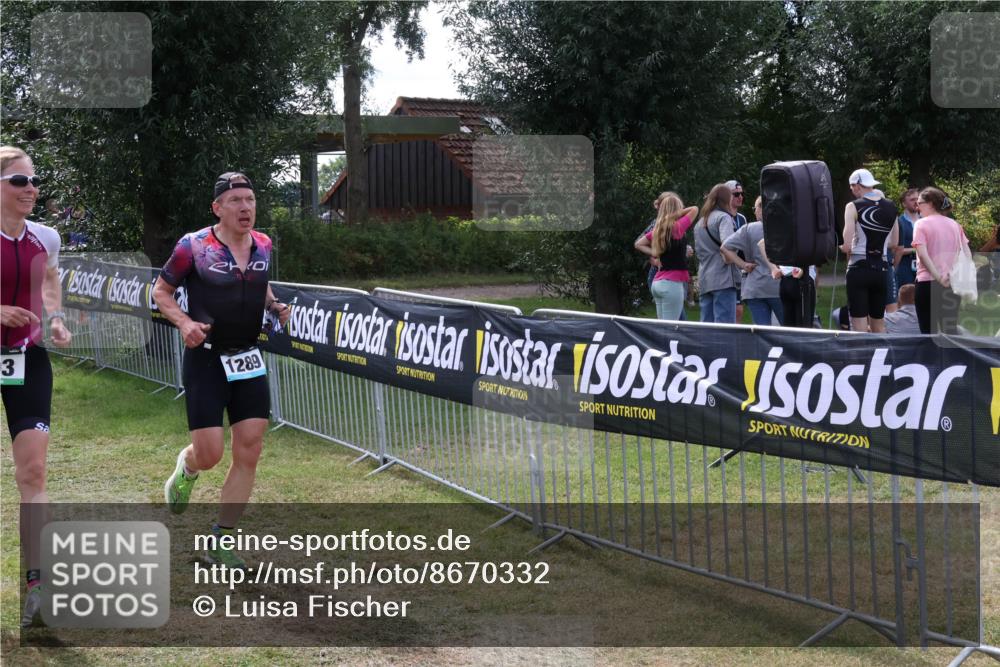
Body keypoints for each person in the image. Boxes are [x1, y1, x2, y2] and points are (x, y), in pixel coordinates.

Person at [153, 172, 290, 569]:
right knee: (211, 454)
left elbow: (260, 284)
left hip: (248, 357)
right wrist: (184, 323)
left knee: (250, 448)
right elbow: (160, 291)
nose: (245, 207)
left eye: (250, 199)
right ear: (218, 208)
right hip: (207, 359)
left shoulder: (263, 243)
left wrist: (274, 306)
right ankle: (188, 467)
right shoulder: (193, 246)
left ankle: (222, 540)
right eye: (236, 201)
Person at [0, 146, 72, 626]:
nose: (31, 190)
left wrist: (58, 317)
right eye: (19, 182)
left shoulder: (46, 236)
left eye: (34, 182)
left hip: (26, 358)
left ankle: (38, 588)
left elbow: (49, 279)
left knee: (34, 475)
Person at [841, 168, 899, 333]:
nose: (852, 192)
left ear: (857, 185)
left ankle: (861, 358)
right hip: (881, 268)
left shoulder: (853, 206)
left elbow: (846, 245)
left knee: (859, 327)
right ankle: (881, 357)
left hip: (858, 268)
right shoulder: (891, 206)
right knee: (878, 325)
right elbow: (894, 243)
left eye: (852, 188)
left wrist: (837, 245)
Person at [911, 187, 969, 334]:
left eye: (919, 203)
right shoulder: (955, 225)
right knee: (950, 334)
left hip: (927, 283)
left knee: (928, 333)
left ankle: (930, 358)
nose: (917, 207)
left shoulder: (921, 224)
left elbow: (923, 255)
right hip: (951, 284)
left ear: (930, 203)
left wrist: (938, 277)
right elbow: (966, 255)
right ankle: (952, 358)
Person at [634, 193, 699, 319]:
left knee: (662, 328)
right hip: (672, 284)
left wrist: (655, 253)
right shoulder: (677, 227)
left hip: (657, 283)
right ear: (677, 210)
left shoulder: (659, 229)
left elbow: (638, 244)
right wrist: (676, 214)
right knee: (671, 329)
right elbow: (695, 209)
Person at [720, 196, 783, 325]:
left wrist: (743, 264)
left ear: (761, 208)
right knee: (786, 328)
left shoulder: (748, 229)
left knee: (761, 331)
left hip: (755, 287)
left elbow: (724, 247)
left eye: (755, 208)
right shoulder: (783, 227)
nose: (754, 211)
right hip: (778, 285)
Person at [694, 183, 740, 323]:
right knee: (724, 327)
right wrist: (734, 260)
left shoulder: (700, 223)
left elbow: (699, 252)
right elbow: (728, 246)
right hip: (723, 279)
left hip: (705, 279)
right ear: (727, 199)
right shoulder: (724, 218)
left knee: (707, 327)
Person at [893, 188, 920, 288]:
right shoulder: (898, 223)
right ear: (904, 204)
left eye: (917, 199)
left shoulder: (926, 221)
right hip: (904, 267)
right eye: (912, 200)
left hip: (924, 267)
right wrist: (915, 250)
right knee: (906, 298)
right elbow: (895, 248)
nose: (916, 202)